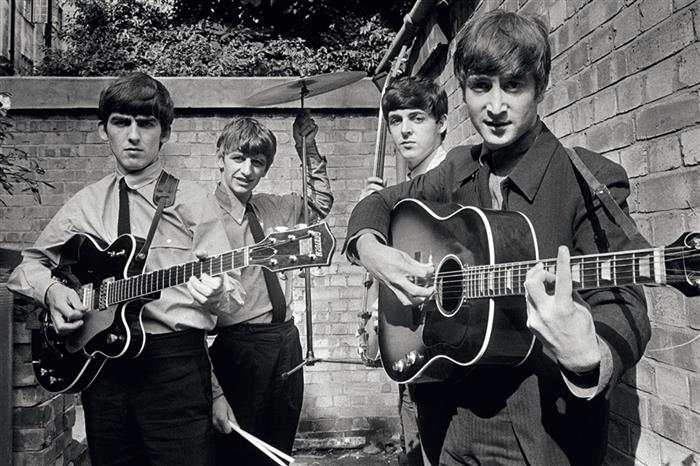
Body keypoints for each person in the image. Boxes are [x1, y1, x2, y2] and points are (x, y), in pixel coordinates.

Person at [344, 10, 650, 466]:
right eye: (481, 86)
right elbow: (379, 205)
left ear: (540, 88)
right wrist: (373, 251)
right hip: (446, 424)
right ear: (463, 89)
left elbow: (625, 297)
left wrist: (591, 353)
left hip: (545, 431)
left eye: (514, 86)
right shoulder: (454, 172)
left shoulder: (588, 178)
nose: (496, 106)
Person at [8, 72, 243, 466]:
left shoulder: (192, 201)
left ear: (164, 132)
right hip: (103, 371)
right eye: (121, 122)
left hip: (175, 369)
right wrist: (52, 293)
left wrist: (217, 290)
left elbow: (232, 293)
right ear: (104, 131)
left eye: (146, 124)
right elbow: (28, 266)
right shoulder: (84, 203)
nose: (133, 135)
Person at [208, 114, 333, 465]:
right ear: (220, 157)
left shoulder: (274, 207)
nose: (247, 170)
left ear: (266, 168)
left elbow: (320, 204)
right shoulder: (200, 216)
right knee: (237, 453)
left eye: (257, 162)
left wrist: (306, 146)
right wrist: (214, 390)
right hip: (238, 348)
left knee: (279, 449)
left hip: (286, 344)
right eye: (238, 158)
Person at [360, 75, 448, 466]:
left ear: (441, 122)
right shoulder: (401, 193)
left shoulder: (454, 184)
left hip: (446, 363)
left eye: (417, 118)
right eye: (396, 120)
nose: (405, 130)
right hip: (412, 352)